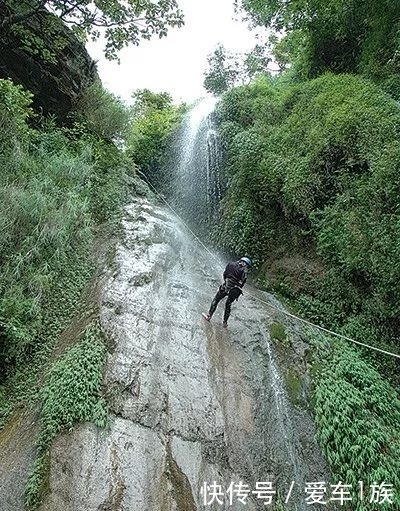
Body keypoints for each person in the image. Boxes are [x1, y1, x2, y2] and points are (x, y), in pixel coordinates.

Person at [202, 257, 253, 327]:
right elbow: (242, 284)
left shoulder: (230, 264)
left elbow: (225, 274)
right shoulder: (244, 271)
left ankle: (209, 316)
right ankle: (225, 323)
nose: (247, 268)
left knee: (216, 299)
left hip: (226, 286)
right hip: (235, 290)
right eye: (247, 266)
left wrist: (227, 282)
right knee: (228, 304)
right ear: (245, 264)